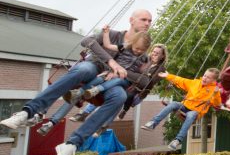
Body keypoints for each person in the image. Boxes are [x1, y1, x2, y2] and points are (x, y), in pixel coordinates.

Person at [2, 9, 153, 132]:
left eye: (150, 21)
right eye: (143, 19)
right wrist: (111, 61)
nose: (147, 23)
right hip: (94, 67)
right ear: (131, 20)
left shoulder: (141, 52)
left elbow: (145, 79)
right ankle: (29, 111)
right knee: (83, 69)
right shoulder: (114, 35)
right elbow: (86, 41)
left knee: (120, 96)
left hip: (109, 82)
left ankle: (78, 139)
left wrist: (122, 72)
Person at [39, 33, 154, 135]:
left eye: (142, 50)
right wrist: (106, 33)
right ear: (132, 43)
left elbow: (143, 76)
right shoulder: (123, 48)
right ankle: (52, 120)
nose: (138, 51)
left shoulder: (144, 58)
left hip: (120, 81)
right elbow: (108, 46)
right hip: (107, 74)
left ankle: (94, 99)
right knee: (91, 82)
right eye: (137, 48)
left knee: (119, 89)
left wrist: (148, 65)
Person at [141, 68, 222, 151]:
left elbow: (217, 104)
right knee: (173, 104)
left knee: (191, 115)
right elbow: (181, 80)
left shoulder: (214, 90)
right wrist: (168, 76)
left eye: (208, 77)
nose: (205, 78)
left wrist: (215, 94)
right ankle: (153, 123)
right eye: (205, 75)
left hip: (195, 112)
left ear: (213, 80)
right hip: (184, 106)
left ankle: (177, 140)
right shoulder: (195, 83)